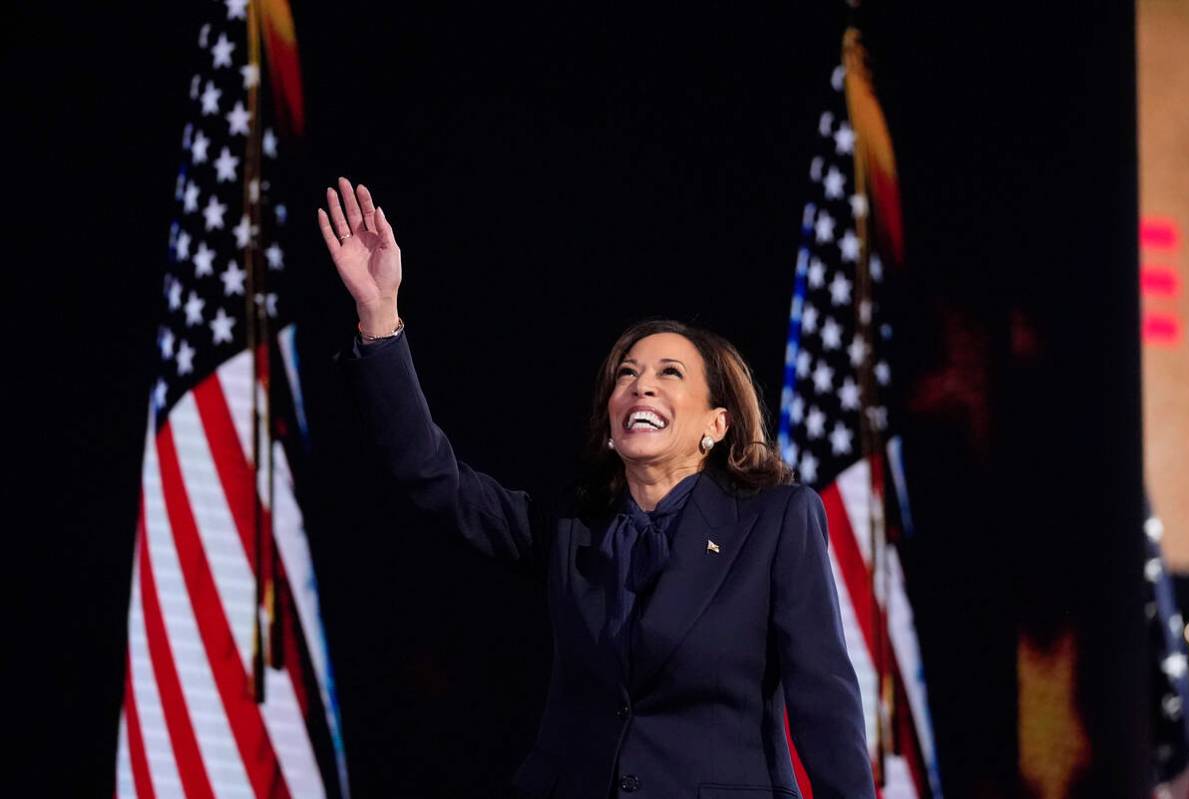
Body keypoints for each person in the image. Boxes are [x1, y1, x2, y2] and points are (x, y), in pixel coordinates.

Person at [318, 177, 874, 798]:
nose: (641, 386)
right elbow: (430, 474)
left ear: (716, 424)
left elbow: (825, 700)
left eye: (670, 373)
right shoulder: (572, 528)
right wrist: (379, 316)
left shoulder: (775, 522)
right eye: (627, 375)